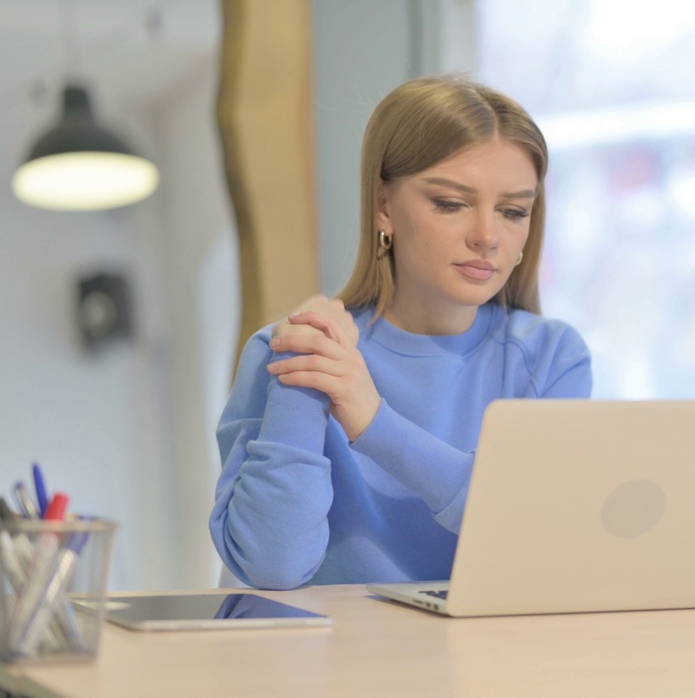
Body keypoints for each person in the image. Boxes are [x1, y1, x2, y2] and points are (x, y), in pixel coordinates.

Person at [210, 75, 592, 590]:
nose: (486, 236)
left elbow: (537, 536)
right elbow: (272, 566)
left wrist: (375, 424)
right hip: (330, 665)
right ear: (385, 207)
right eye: (451, 203)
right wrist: (306, 381)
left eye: (513, 211)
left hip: (492, 664)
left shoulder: (552, 358)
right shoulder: (293, 350)